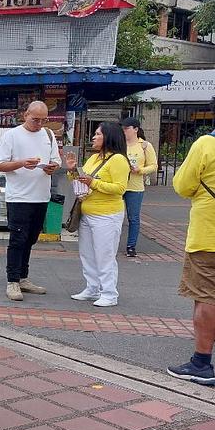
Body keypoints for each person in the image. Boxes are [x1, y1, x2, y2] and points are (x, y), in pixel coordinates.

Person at [0, 100, 62, 301]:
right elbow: (0, 165)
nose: (39, 124)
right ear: (25, 115)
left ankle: (23, 277)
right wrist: (22, 163)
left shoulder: (48, 135)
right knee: (18, 239)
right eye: (35, 120)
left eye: (43, 120)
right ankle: (12, 281)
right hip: (19, 197)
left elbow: (56, 160)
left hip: (41, 196)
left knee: (31, 239)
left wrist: (53, 167)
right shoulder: (12, 135)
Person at [166, 121, 215, 385]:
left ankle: (201, 363)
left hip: (208, 235)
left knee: (206, 296)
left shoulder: (206, 144)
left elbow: (182, 186)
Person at [63, 121, 130, 308]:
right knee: (87, 253)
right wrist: (72, 171)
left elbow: (119, 188)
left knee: (105, 255)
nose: (94, 137)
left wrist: (94, 183)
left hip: (107, 215)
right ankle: (92, 288)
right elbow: (82, 181)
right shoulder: (94, 158)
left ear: (109, 136)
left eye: (98, 134)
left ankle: (109, 293)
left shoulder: (118, 160)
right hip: (86, 213)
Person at [120, 117, 158, 258]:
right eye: (122, 129)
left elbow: (154, 166)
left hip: (135, 187)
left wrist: (140, 170)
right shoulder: (120, 144)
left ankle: (131, 246)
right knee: (115, 217)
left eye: (127, 129)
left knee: (133, 218)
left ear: (135, 129)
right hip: (119, 184)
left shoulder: (145, 146)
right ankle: (111, 244)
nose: (124, 132)